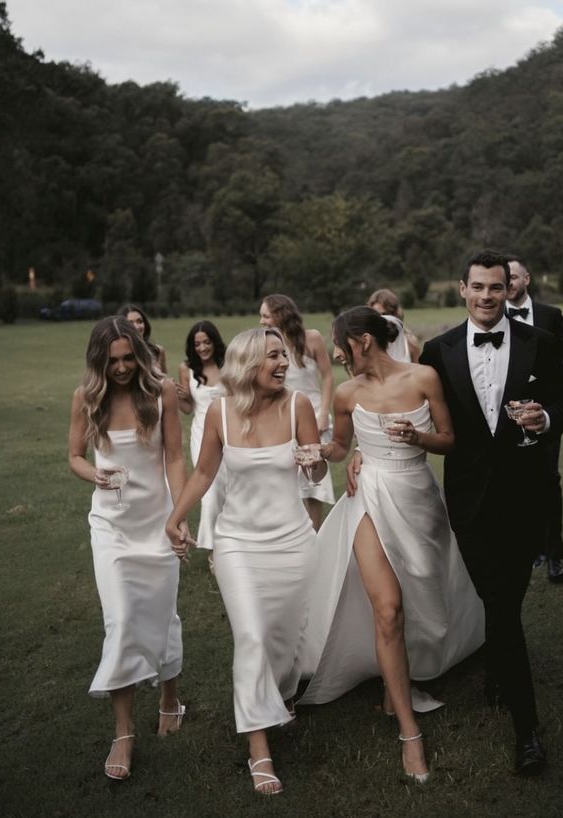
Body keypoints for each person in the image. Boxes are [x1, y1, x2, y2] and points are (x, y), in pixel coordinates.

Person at [298, 306, 485, 784]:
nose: (337, 354)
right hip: (368, 499)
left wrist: (418, 437)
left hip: (418, 497)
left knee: (425, 595)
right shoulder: (345, 392)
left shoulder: (423, 377)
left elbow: (449, 440)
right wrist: (323, 453)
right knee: (388, 610)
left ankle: (394, 685)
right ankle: (409, 732)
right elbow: (340, 447)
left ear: (363, 341)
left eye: (342, 345)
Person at [419, 250, 563, 776]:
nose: (488, 296)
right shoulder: (436, 351)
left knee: (505, 602)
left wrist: (546, 416)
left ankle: (502, 678)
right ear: (461, 290)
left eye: (497, 286)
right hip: (468, 502)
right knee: (502, 603)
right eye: (478, 287)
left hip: (524, 498)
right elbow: (412, 410)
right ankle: (527, 731)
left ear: (508, 288)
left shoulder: (541, 342)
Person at [166, 328, 324, 796]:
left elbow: (316, 471)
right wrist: (176, 518)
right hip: (237, 543)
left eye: (283, 356)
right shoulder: (218, 412)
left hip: (294, 541)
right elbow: (203, 473)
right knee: (252, 635)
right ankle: (259, 747)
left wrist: (314, 461)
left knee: (286, 635)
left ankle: (282, 692)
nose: (283, 363)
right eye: (273, 356)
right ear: (249, 363)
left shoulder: (298, 406)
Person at [68, 316, 188, 781]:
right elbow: (75, 455)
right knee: (120, 619)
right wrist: (93, 473)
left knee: (164, 614)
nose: (120, 368)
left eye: (127, 358)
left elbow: (175, 457)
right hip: (112, 527)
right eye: (111, 360)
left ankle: (170, 698)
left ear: (138, 353)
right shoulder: (87, 398)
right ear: (99, 360)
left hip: (156, 522)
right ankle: (123, 732)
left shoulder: (163, 394)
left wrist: (178, 517)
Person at [506, 256, 563, 583]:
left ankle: (555, 554)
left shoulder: (551, 315)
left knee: (548, 480)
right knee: (519, 483)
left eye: (514, 277)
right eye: (505, 278)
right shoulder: (494, 317)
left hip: (545, 412)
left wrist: (551, 388)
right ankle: (534, 548)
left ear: (527, 278)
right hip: (509, 415)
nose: (509, 283)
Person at [259, 294, 334, 530]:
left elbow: (329, 376)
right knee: (285, 478)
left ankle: (314, 535)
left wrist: (323, 414)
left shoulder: (311, 338)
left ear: (281, 314)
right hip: (282, 417)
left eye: (265, 315)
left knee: (314, 483)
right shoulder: (265, 344)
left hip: (313, 414)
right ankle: (291, 531)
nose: (261, 321)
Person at [176, 321, 227, 566]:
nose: (203, 347)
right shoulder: (186, 369)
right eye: (197, 344)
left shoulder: (228, 366)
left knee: (230, 487)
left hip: (229, 433)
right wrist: (183, 398)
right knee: (211, 490)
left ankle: (232, 541)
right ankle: (213, 552)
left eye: (207, 342)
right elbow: (187, 409)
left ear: (214, 341)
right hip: (202, 434)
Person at [368, 288, 421, 363]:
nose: (381, 319)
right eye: (376, 315)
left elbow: (420, 372)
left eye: (385, 314)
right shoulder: (367, 345)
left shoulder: (409, 343)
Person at [118, 303, 167, 373]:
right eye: (130, 323)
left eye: (140, 321)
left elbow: (165, 381)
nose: (136, 327)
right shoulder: (118, 355)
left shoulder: (158, 351)